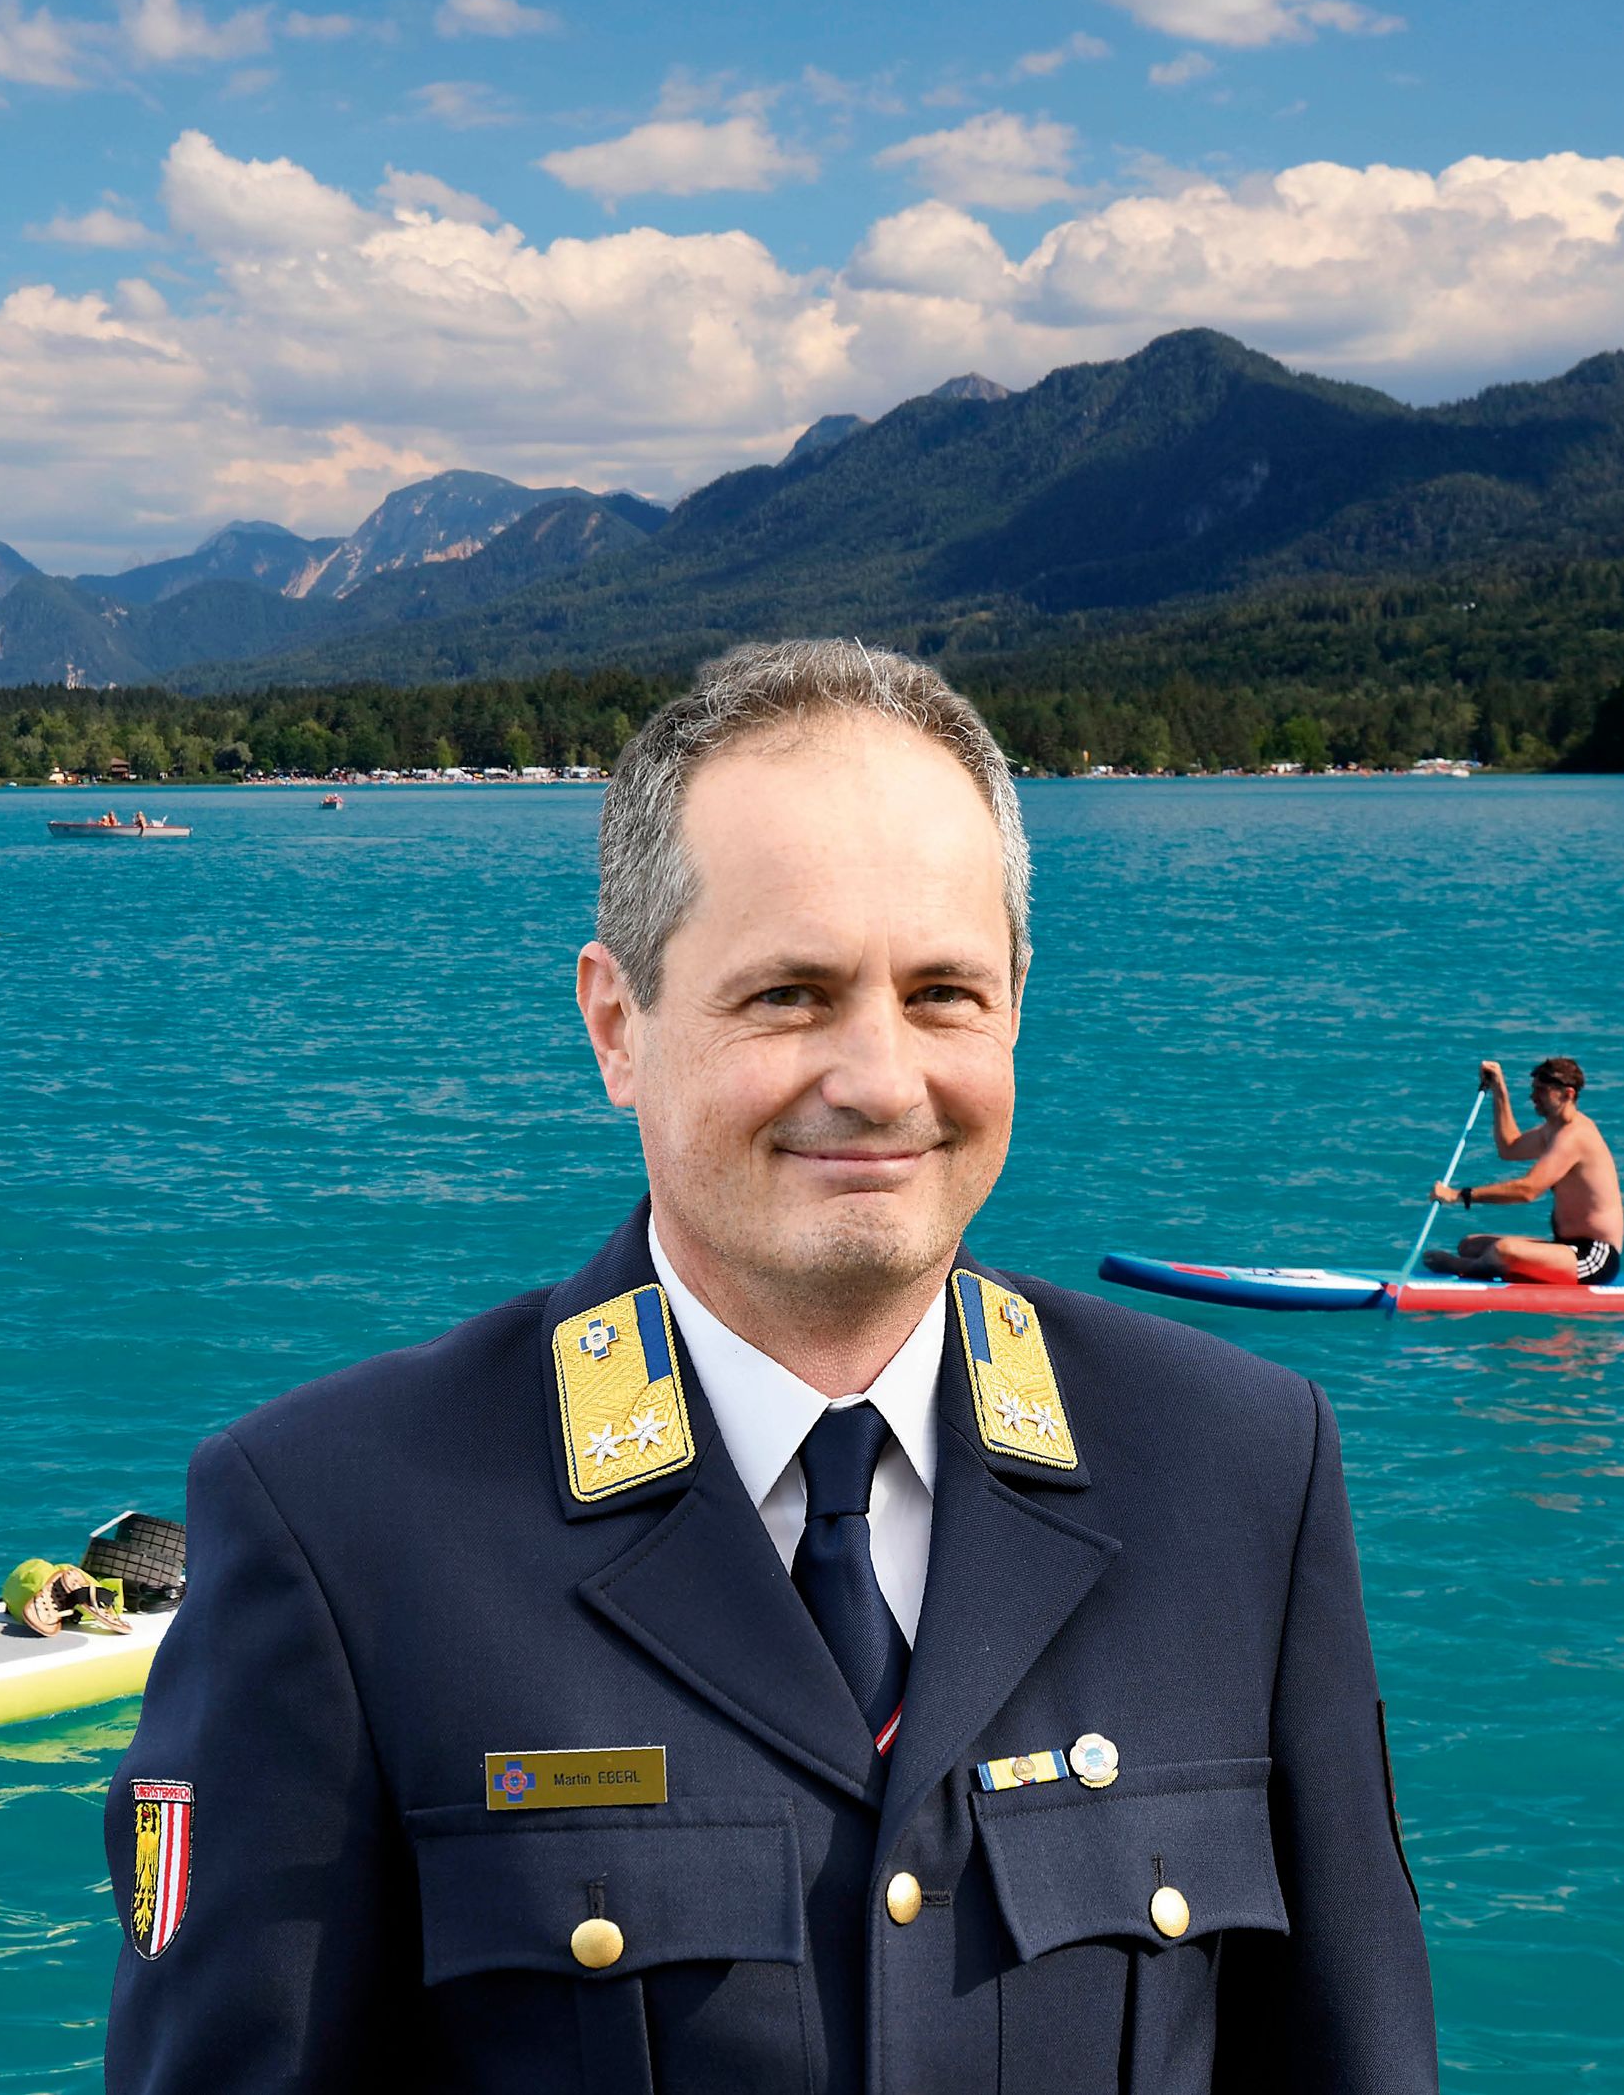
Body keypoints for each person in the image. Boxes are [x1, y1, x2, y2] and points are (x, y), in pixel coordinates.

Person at [105, 641, 1434, 2092]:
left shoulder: (1236, 1471)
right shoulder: (341, 1527)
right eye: (791, 994)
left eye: (943, 992)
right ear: (616, 1025)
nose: (879, 1079)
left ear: (1016, 1004)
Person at [1426, 1057, 1622, 1283]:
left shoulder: (1575, 1136)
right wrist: (1499, 1089)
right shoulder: (1552, 1130)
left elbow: (1528, 1190)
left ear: (1567, 1094)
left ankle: (1466, 1268)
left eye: (1541, 1091)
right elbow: (1509, 1147)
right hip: (1565, 1247)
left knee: (1504, 1250)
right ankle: (1490, 1265)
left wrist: (1459, 1195)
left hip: (1594, 1256)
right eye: (1533, 1089)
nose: (1533, 1097)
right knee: (1469, 1245)